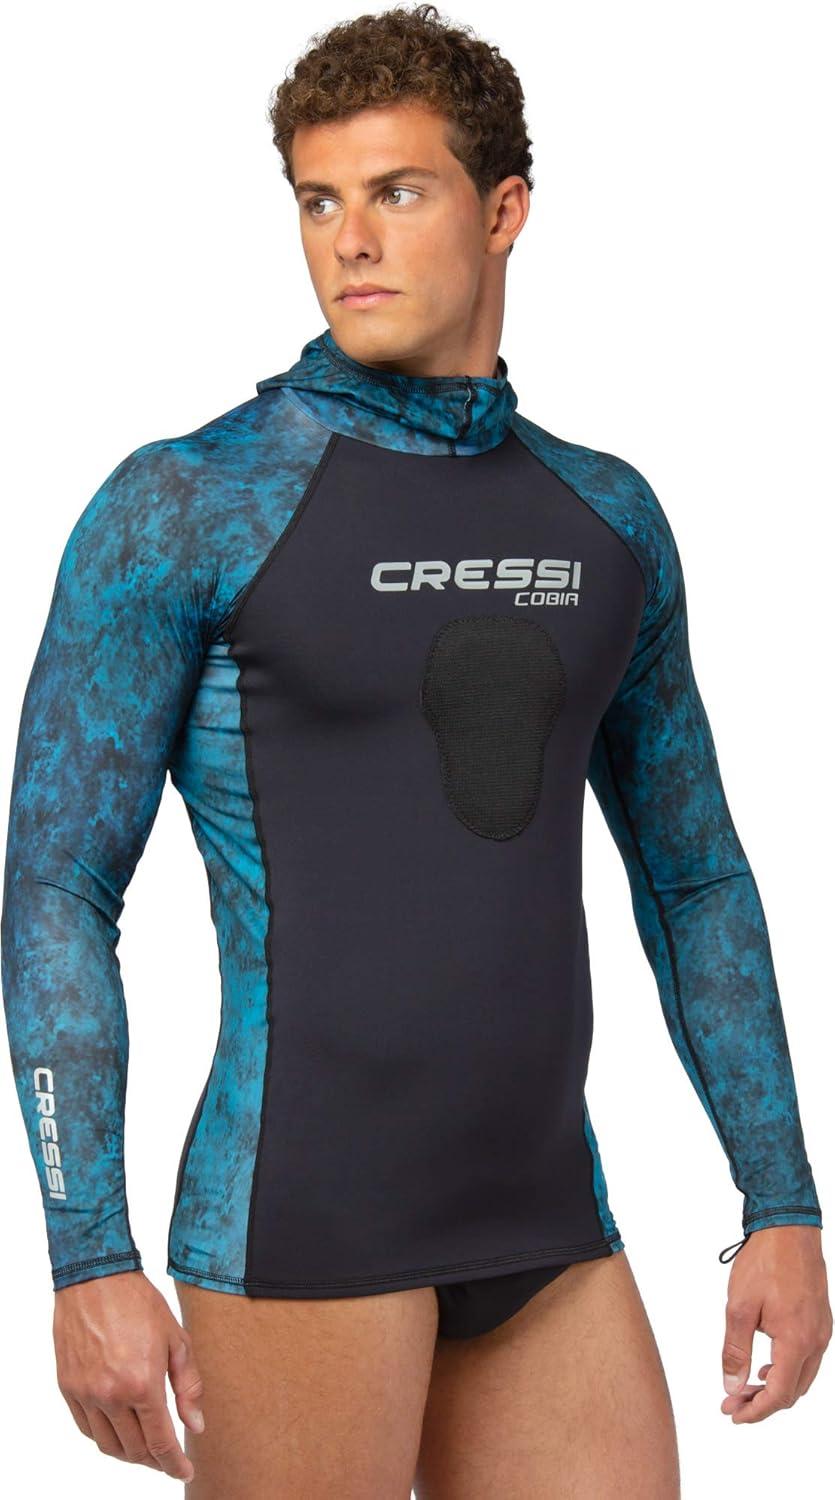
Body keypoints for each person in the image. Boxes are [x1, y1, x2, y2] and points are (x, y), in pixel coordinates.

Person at [2, 4, 830, 1495]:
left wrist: (781, 1200)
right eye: (319, 201)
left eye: (397, 191)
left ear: (505, 209)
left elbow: (696, 877)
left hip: (544, 1222)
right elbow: (57, 884)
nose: (352, 242)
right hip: (304, 1223)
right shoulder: (188, 505)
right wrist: (86, 1253)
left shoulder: (607, 518)